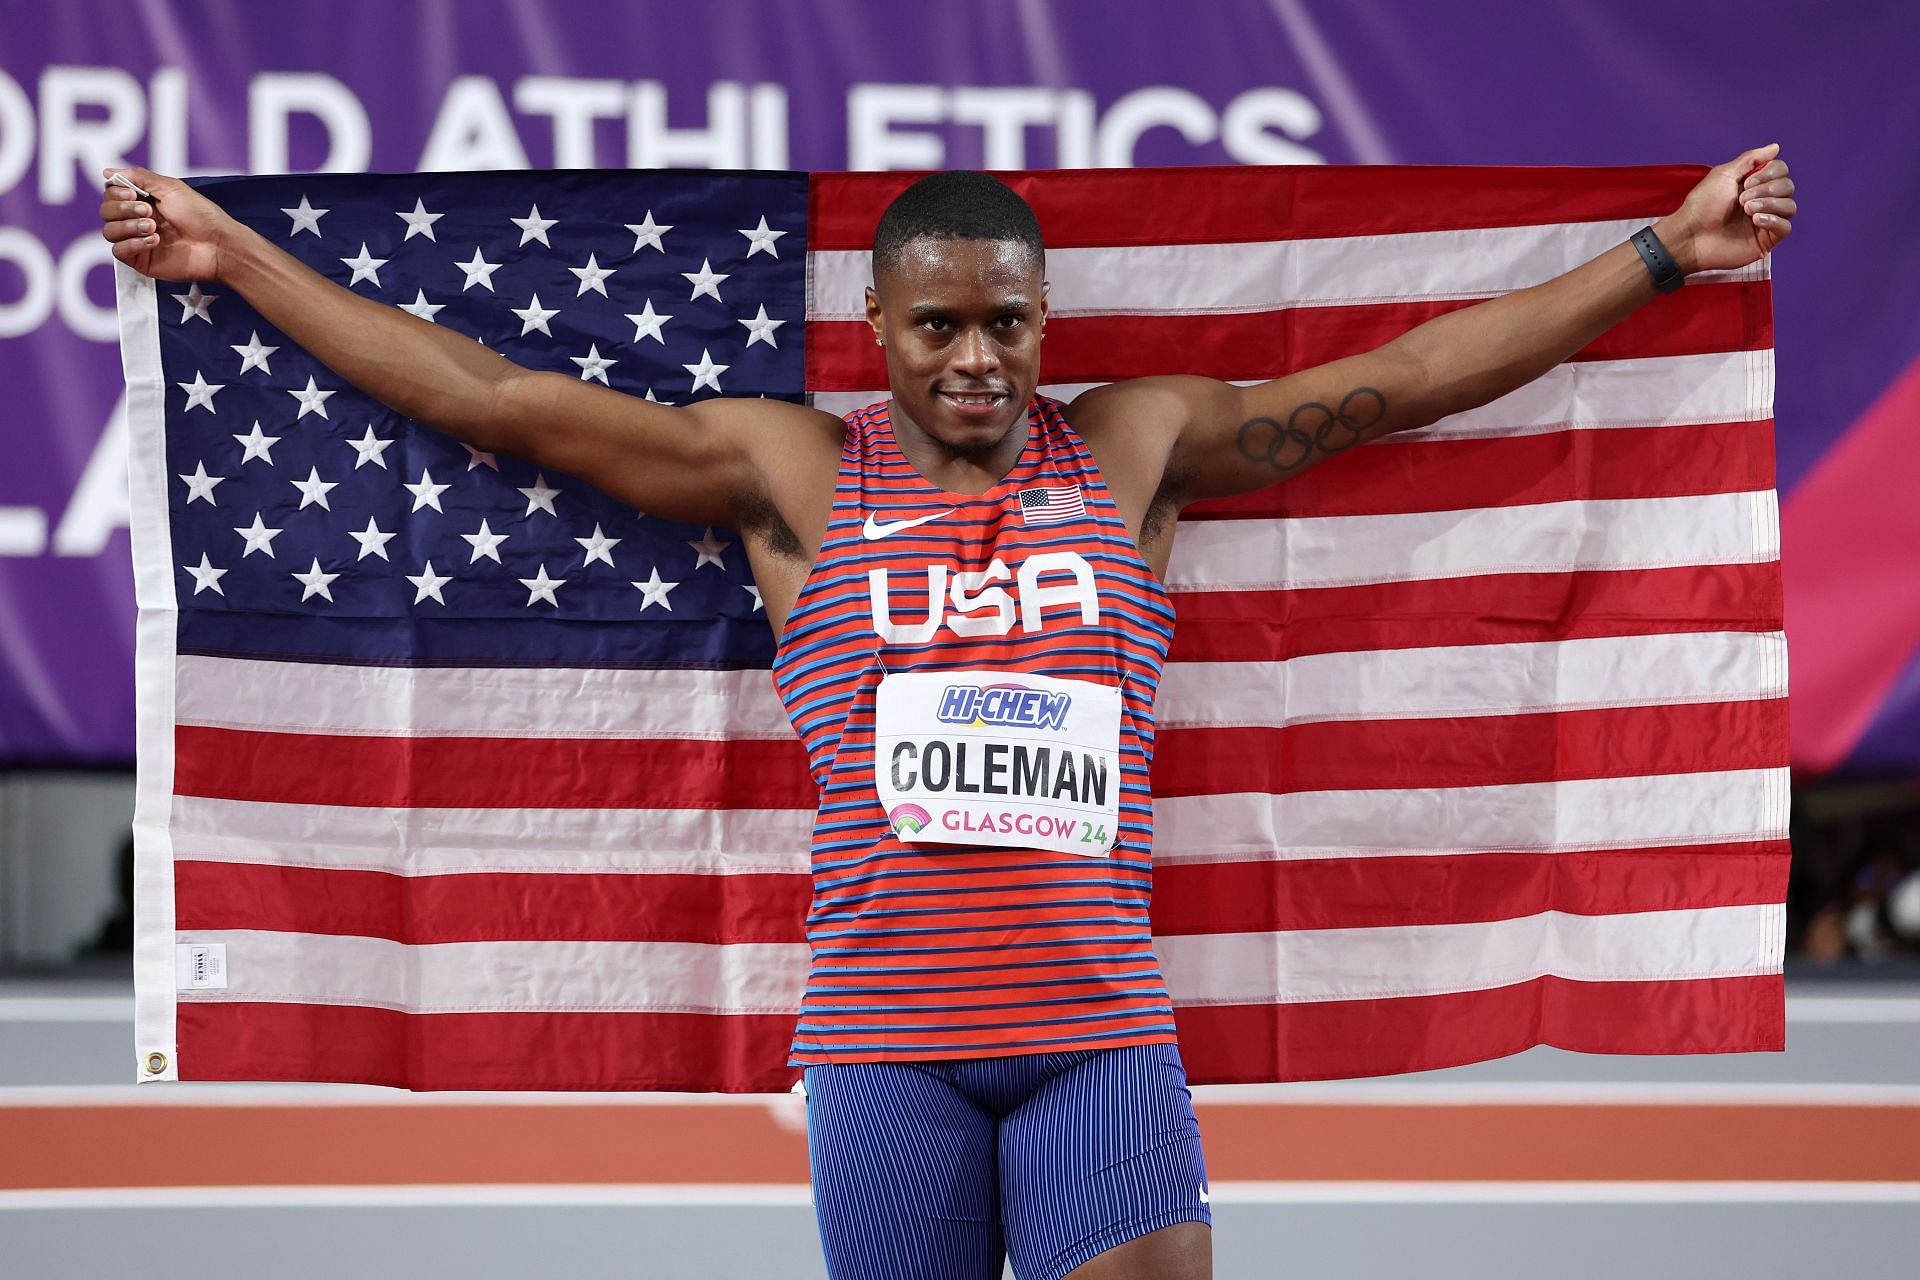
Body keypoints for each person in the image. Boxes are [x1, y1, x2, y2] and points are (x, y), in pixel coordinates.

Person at [101, 147, 1795, 1280]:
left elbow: (1410, 384)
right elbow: (502, 400)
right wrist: (238, 256)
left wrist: (1661, 255)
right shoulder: (788, 471)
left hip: (1101, 1042)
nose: (976, 358)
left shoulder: (1132, 449)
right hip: (888, 1052)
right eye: (938, 325)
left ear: (1048, 318)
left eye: (1007, 321)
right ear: (878, 326)